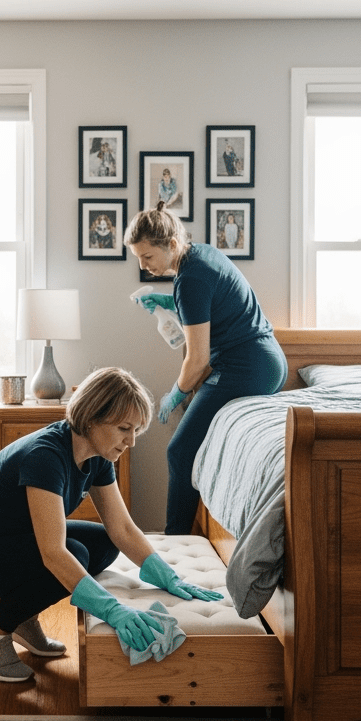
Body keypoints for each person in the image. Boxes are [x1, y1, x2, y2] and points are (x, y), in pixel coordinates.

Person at [0, 367, 221, 683]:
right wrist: (113, 610)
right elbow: (53, 553)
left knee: (103, 544)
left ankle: (22, 616)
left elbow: (121, 529)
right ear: (91, 418)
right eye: (124, 428)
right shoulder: (45, 456)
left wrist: (167, 575)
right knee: (72, 553)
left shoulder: (98, 455)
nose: (131, 441)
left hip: (0, 540)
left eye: (136, 430)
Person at [126, 201, 286, 534]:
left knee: (179, 451)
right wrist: (170, 302)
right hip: (269, 360)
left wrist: (174, 395)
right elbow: (210, 306)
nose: (143, 265)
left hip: (246, 367)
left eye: (148, 256)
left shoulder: (190, 279)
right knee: (193, 445)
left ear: (171, 244)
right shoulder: (201, 254)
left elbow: (197, 360)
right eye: (139, 258)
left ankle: (176, 539)